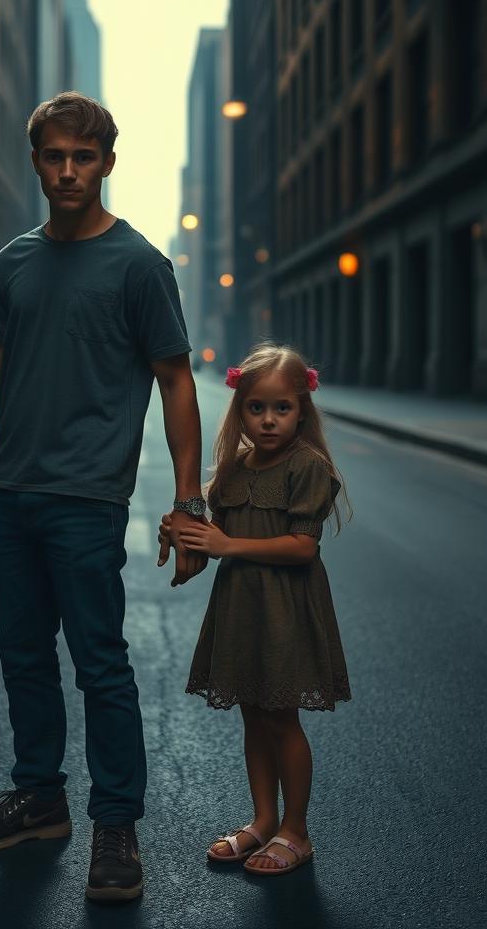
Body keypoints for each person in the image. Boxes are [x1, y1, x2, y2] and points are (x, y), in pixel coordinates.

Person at [0, 91, 207, 902]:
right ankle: (40, 800)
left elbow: (175, 381)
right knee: (22, 656)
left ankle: (116, 827)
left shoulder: (139, 265)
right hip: (14, 498)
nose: (68, 171)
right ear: (35, 161)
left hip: (89, 499)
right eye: (54, 156)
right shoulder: (13, 261)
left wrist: (190, 502)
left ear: (107, 163)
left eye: (83, 157)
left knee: (100, 665)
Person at [158, 343, 352, 875]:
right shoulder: (237, 469)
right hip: (241, 605)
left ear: (301, 409)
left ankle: (297, 830)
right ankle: (263, 821)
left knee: (281, 717)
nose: (268, 420)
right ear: (240, 410)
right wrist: (179, 527)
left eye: (281, 408)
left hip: (286, 607)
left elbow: (303, 547)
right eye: (256, 408)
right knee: (251, 712)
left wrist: (226, 546)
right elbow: (204, 518)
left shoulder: (307, 466)